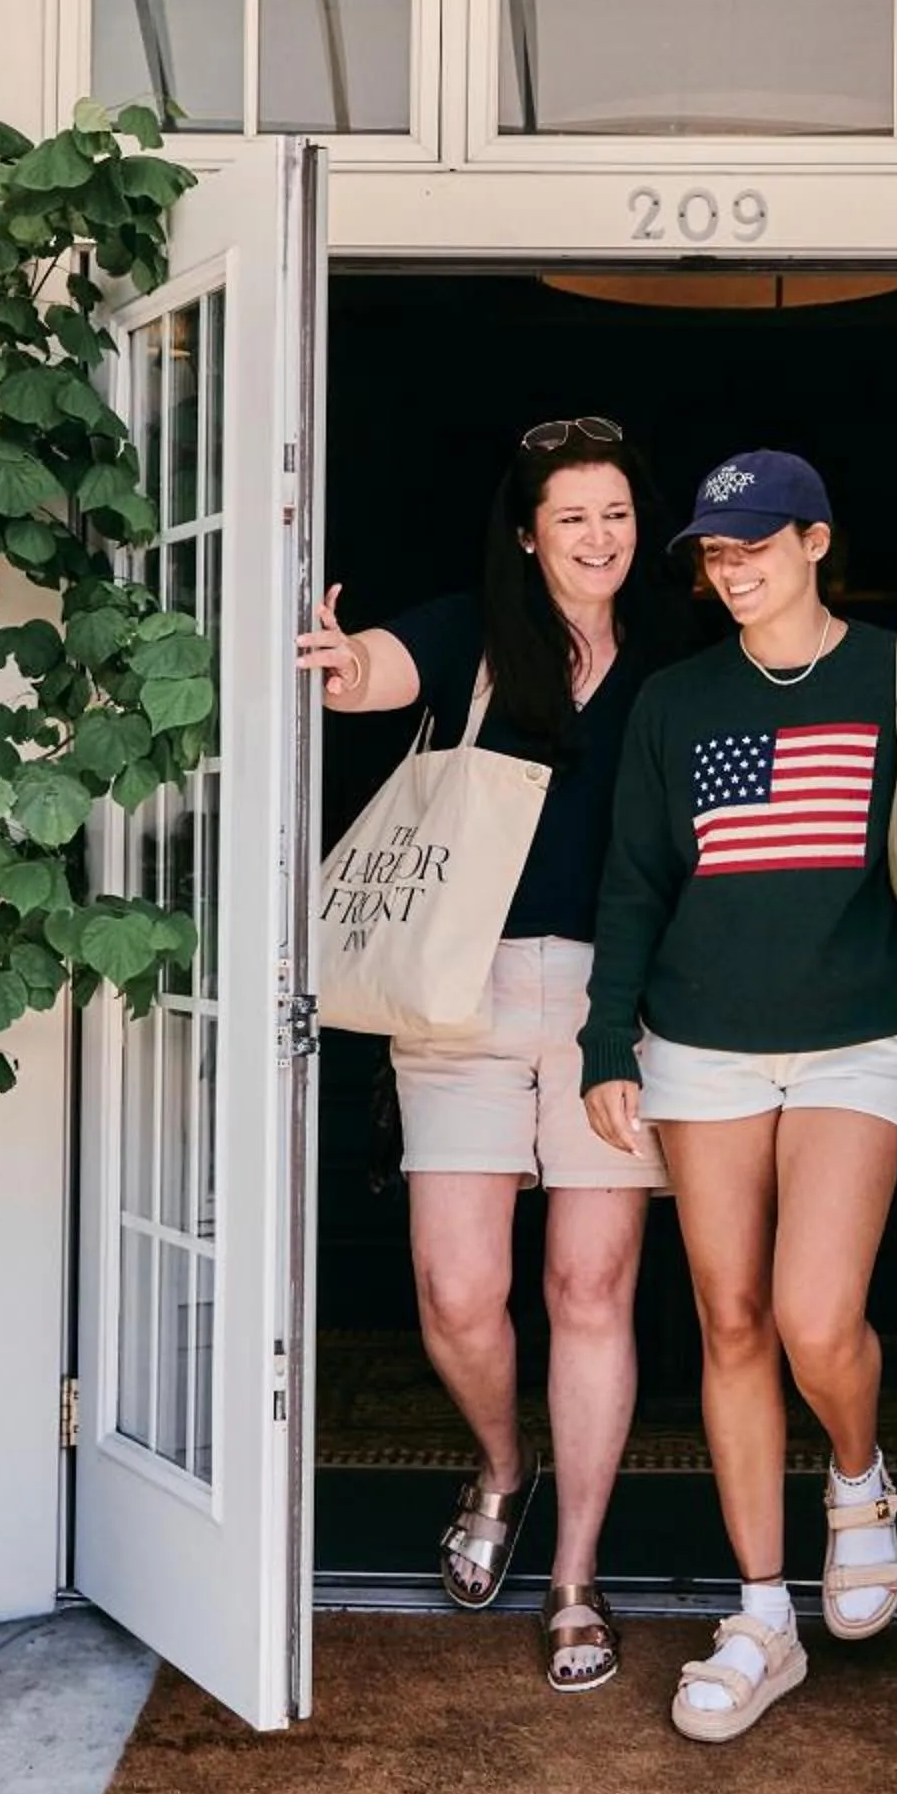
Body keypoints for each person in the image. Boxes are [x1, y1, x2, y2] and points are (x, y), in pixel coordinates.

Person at [580, 449, 897, 1743]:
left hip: (858, 1037)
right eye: (713, 558)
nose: (731, 574)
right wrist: (606, 1044)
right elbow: (631, 882)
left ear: (815, 541)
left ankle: (857, 1480)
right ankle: (761, 1615)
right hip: (698, 1046)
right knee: (729, 1324)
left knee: (811, 1315)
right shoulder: (675, 702)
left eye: (754, 548)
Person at [298, 418, 671, 1693]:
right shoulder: (475, 630)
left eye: (615, 513)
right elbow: (377, 674)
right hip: (458, 995)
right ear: (529, 532)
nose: (598, 537)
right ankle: (505, 1467)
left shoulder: (668, 661)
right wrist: (343, 664)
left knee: (588, 1291)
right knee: (458, 1291)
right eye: (572, 517)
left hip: (614, 1010)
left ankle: (574, 1575)